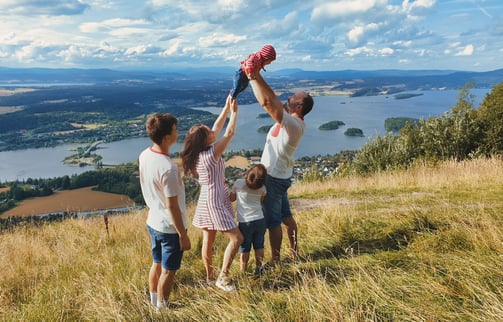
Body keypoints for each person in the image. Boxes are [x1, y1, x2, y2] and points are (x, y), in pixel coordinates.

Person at [248, 68, 314, 268]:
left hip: (274, 179)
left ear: (299, 106)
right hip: (281, 175)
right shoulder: (291, 119)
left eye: (294, 97)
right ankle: (295, 253)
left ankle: (275, 260)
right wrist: (256, 74)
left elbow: (267, 103)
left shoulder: (293, 124)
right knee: (286, 216)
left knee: (273, 221)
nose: (290, 96)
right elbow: (272, 98)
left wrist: (252, 75)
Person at [181, 95, 243, 292]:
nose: (212, 131)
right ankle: (222, 277)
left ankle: (209, 277)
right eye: (208, 132)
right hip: (215, 200)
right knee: (236, 239)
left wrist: (225, 108)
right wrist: (234, 113)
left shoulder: (199, 153)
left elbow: (216, 128)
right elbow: (230, 132)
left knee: (208, 240)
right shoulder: (211, 154)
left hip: (207, 198)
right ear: (205, 140)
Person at [138, 113, 191, 309]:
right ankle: (162, 308)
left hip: (153, 222)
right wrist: (183, 234)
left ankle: (154, 302)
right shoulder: (168, 168)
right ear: (167, 136)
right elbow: (172, 206)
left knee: (157, 264)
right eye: (176, 129)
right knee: (169, 271)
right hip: (169, 229)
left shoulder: (145, 154)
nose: (178, 133)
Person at [229, 164, 267, 276]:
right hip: (260, 219)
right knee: (259, 245)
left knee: (245, 248)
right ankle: (259, 268)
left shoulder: (239, 183)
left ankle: (243, 271)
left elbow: (231, 199)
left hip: (245, 222)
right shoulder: (263, 188)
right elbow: (261, 201)